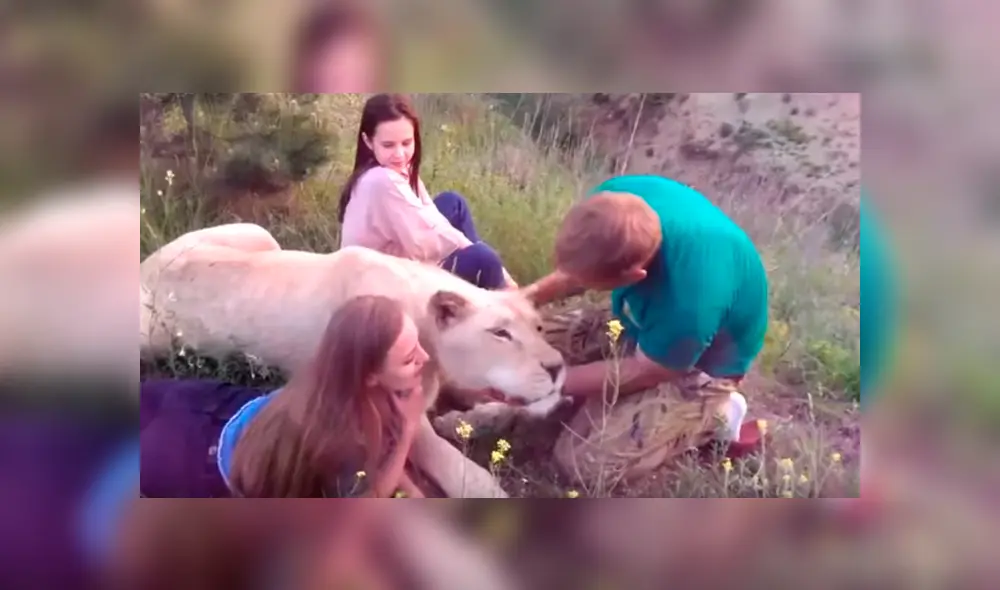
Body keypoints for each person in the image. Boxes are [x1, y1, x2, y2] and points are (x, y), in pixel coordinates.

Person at [526, 174, 769, 483]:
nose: (580, 285)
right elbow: (573, 273)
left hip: (694, 365)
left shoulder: (690, 298)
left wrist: (543, 384)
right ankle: (600, 397)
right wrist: (519, 301)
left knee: (585, 462)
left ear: (634, 275)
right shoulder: (610, 204)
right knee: (517, 344)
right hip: (642, 320)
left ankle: (716, 413)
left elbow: (648, 370)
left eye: (590, 284)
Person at [139, 294, 432, 498]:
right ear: (369, 375)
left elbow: (378, 459)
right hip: (196, 461)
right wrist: (407, 433)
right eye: (409, 358)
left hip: (226, 408)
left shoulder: (334, 374)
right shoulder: (341, 443)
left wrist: (413, 492)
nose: (426, 357)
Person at [338, 93, 517, 290]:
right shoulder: (381, 180)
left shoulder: (395, 169)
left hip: (393, 260)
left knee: (452, 203)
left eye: (406, 143)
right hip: (381, 284)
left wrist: (475, 251)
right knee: (485, 260)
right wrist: (497, 270)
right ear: (368, 141)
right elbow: (424, 242)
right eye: (388, 145)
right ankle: (501, 300)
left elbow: (430, 216)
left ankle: (494, 286)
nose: (399, 154)